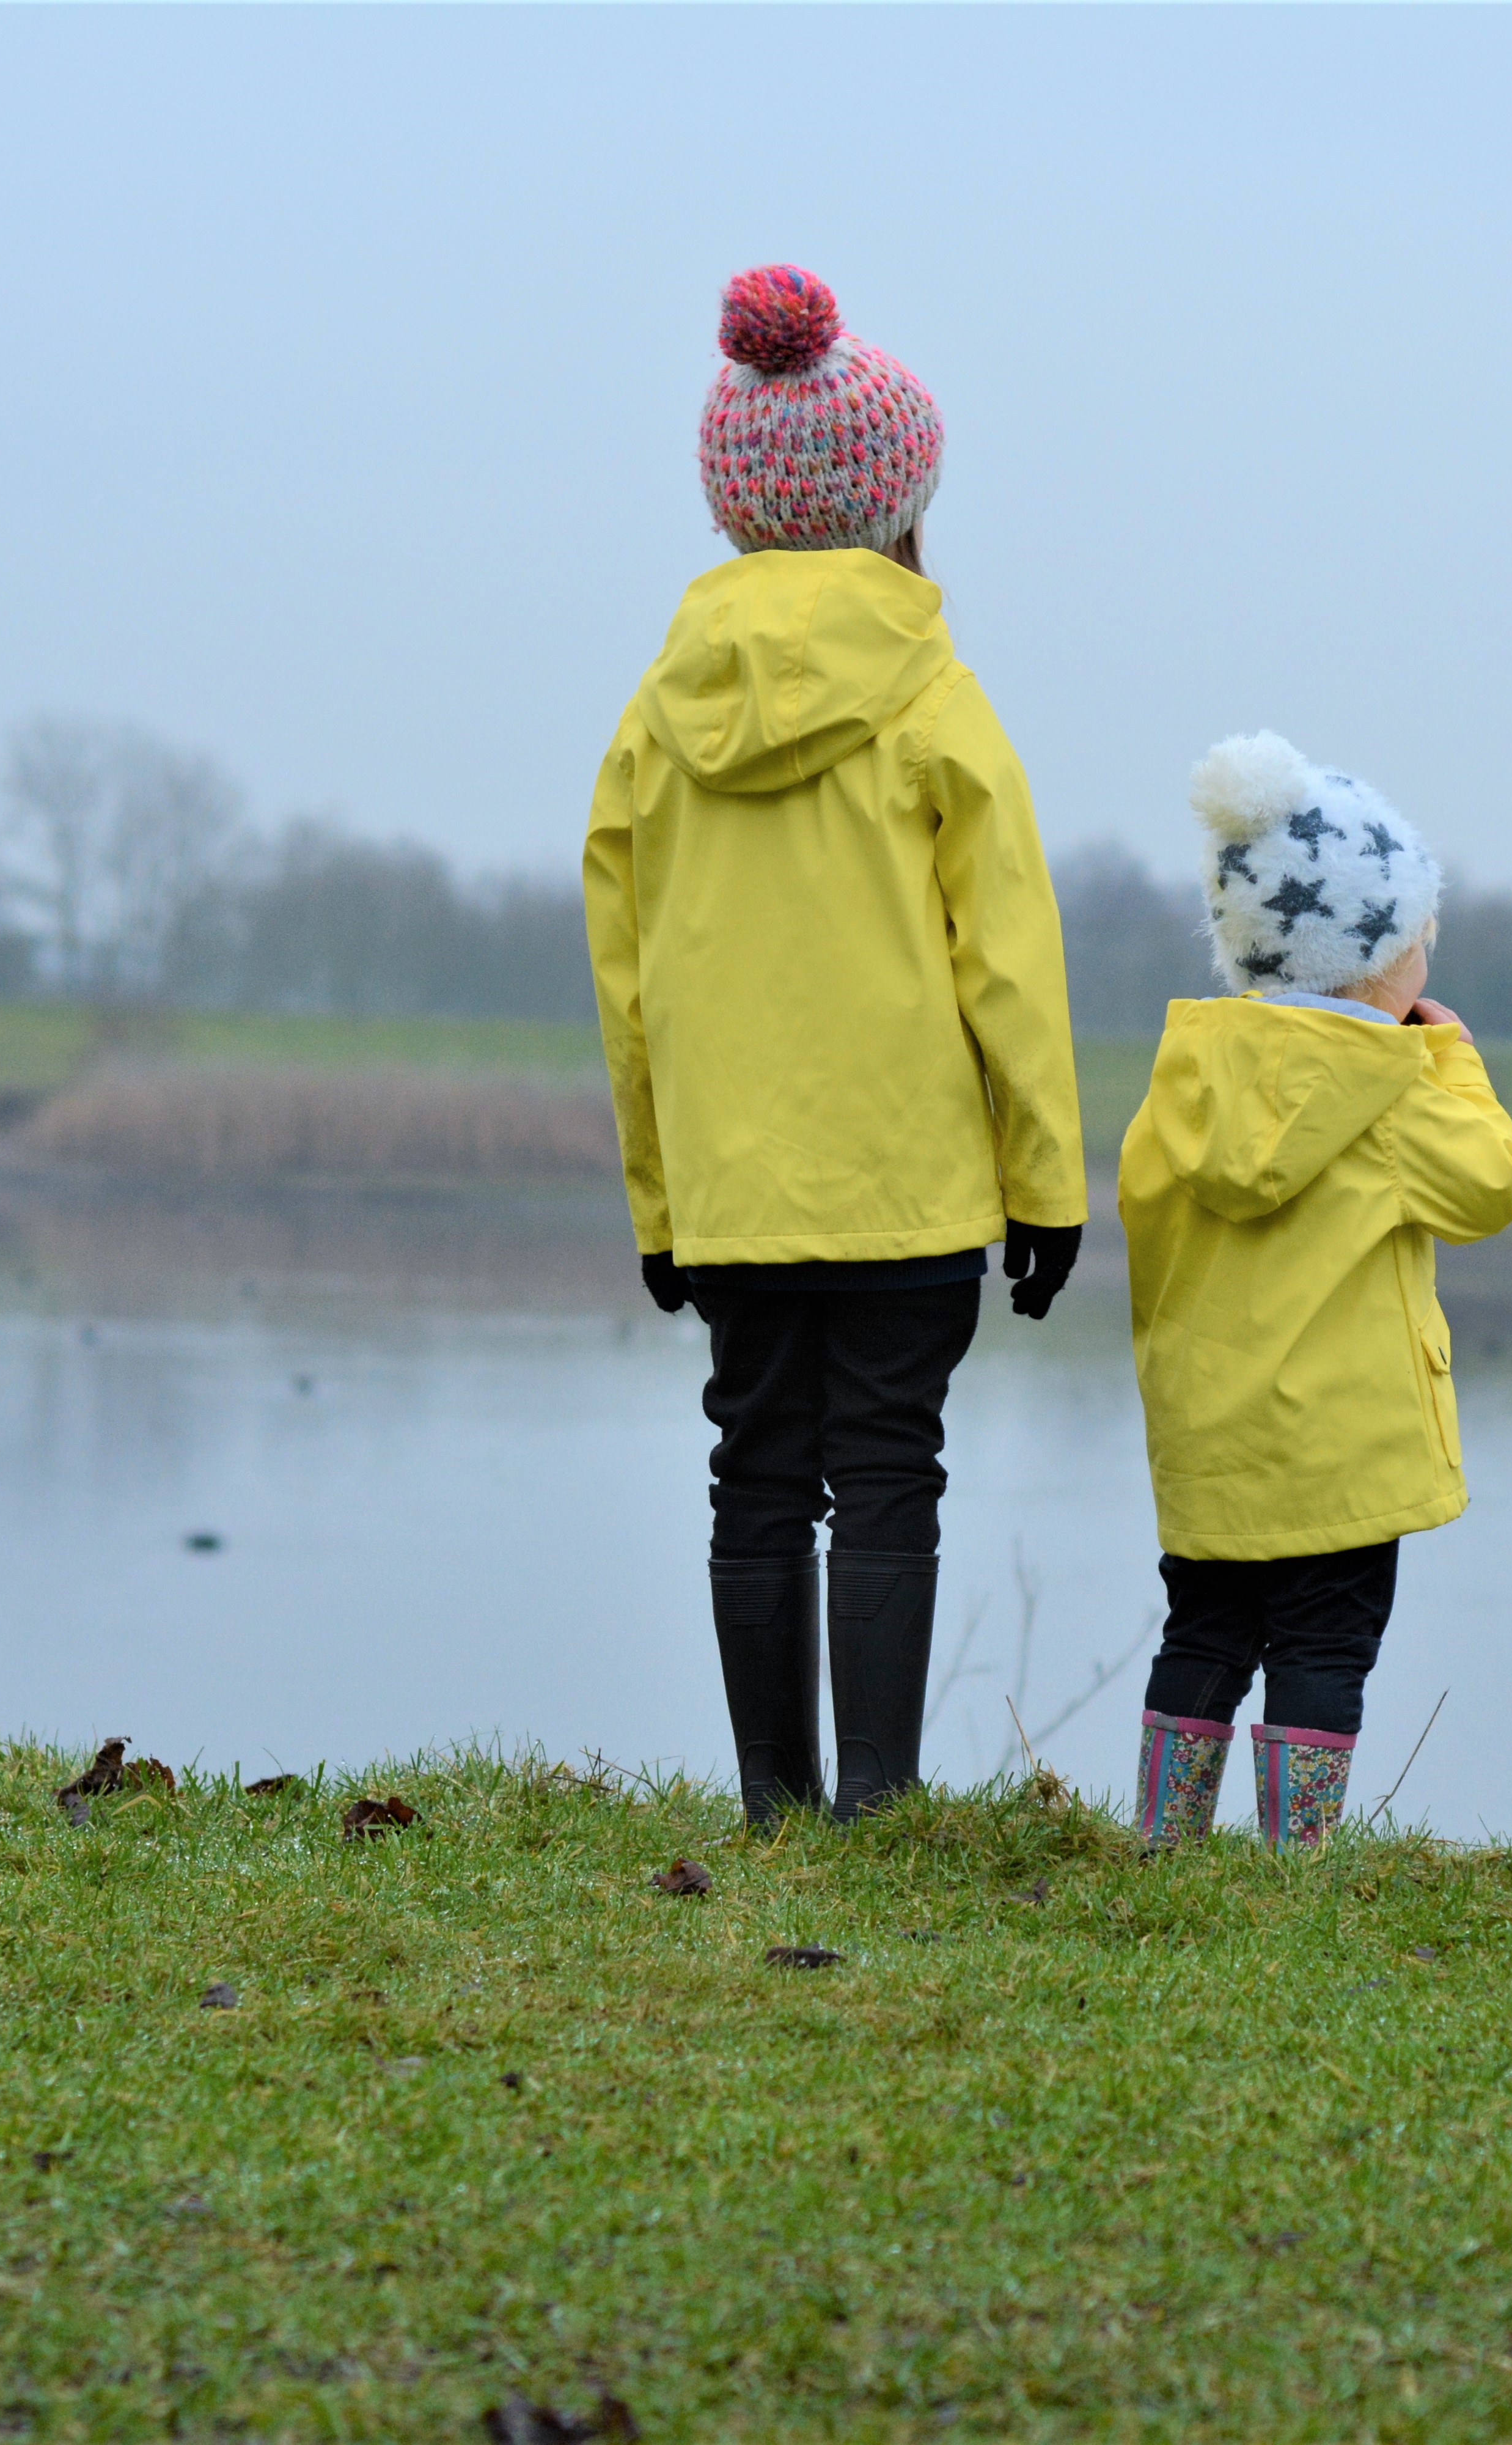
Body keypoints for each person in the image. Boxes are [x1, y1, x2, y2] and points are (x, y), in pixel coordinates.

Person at [582, 265, 1085, 1826]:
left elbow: (629, 981)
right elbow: (1009, 961)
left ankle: (770, 1801)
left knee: (754, 1473)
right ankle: (876, 1800)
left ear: (737, 502)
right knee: (887, 1471)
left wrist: (661, 1203)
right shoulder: (936, 699)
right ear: (898, 500)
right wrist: (1047, 1186)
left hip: (737, 1185)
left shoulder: (660, 715)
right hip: (909, 1186)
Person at [1117, 733, 1512, 1851]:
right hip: (1339, 1454)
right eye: (1418, 942)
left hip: (1212, 1440)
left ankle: (1166, 1843)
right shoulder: (1391, 1095)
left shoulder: (1185, 1084)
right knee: (1322, 1650)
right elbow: (1493, 1188)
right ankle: (1293, 1863)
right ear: (1373, 962)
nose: (1428, 963)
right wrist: (1451, 1059)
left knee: (1202, 1631)